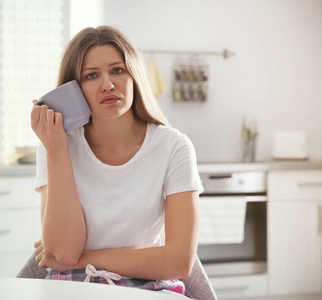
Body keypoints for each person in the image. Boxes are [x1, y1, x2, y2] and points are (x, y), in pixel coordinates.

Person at [30, 25, 202, 296]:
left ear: (134, 76)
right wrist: (57, 150)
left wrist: (86, 259)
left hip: (148, 287)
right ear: (73, 88)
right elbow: (64, 252)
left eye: (117, 70)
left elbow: (179, 262)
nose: (108, 84)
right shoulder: (55, 145)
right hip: (74, 287)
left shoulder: (173, 146)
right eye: (92, 75)